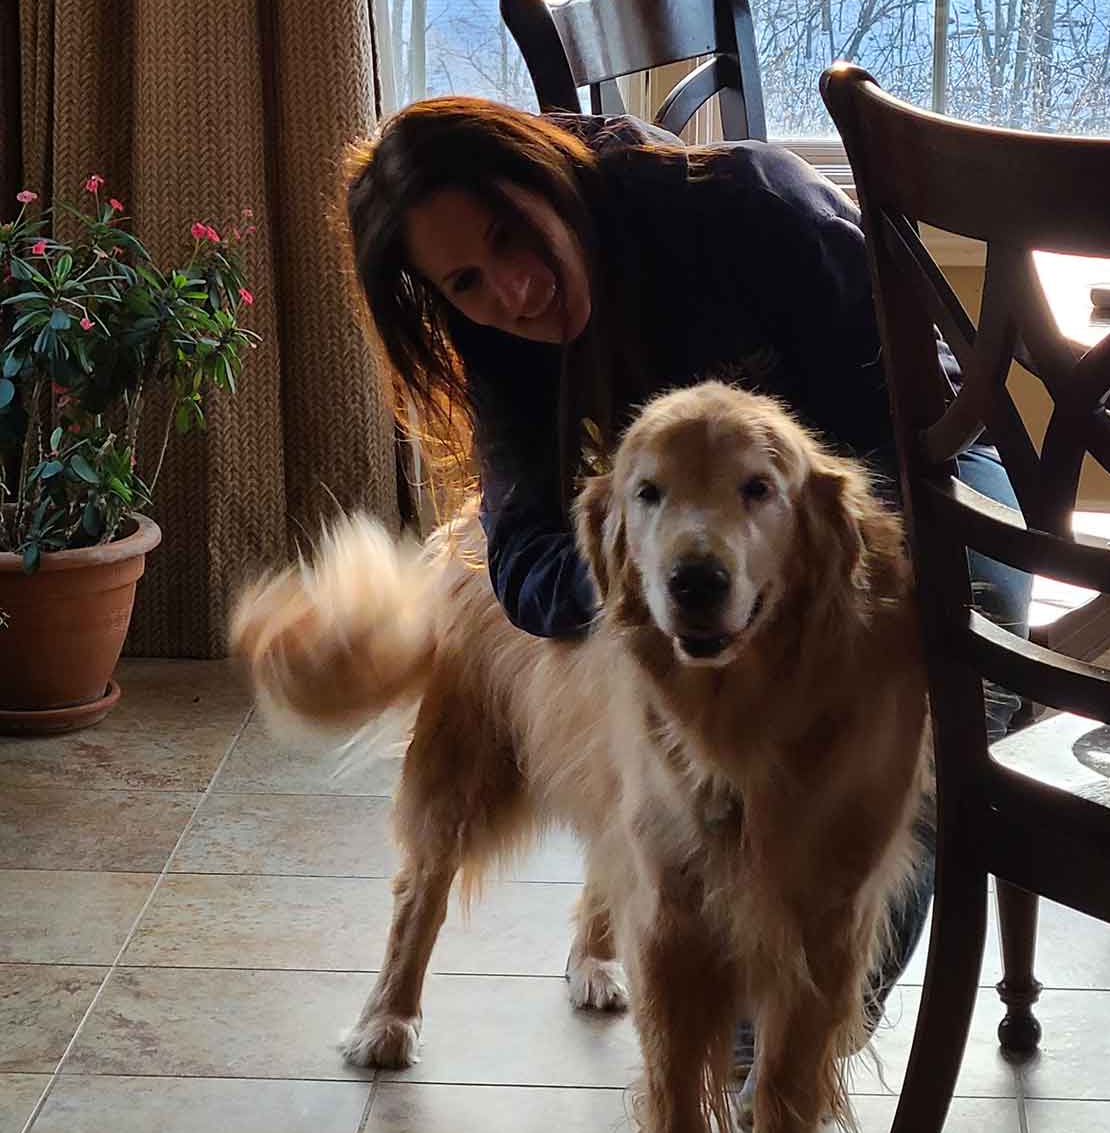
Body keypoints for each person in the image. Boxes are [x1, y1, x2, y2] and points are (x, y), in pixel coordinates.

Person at [343, 95, 1030, 1075]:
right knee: (689, 685)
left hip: (926, 480)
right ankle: (710, 945)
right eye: (467, 281)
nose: (516, 288)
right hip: (721, 556)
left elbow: (908, 438)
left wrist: (776, 573)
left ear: (543, 170)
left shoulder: (751, 208)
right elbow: (525, 557)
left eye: (508, 234)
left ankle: (798, 1018)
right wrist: (654, 579)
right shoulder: (496, 342)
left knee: (932, 676)